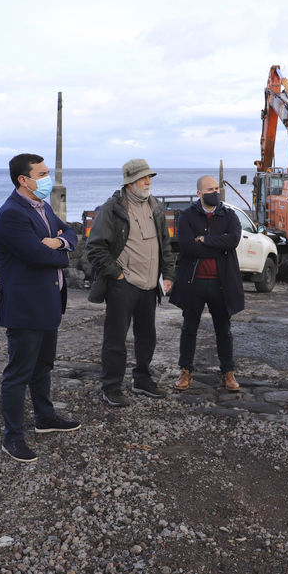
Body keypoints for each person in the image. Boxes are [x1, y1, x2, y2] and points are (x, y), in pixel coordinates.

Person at [0, 153, 81, 463]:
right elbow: (36, 256)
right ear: (23, 180)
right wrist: (61, 251)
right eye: (42, 174)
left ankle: (45, 418)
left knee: (43, 367)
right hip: (26, 307)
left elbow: (71, 234)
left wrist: (57, 242)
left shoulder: (42, 206)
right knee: (18, 374)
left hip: (49, 303)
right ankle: (12, 437)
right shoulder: (11, 214)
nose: (47, 179)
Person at [86, 158, 175, 407]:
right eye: (143, 178)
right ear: (129, 182)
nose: (149, 182)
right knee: (115, 339)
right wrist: (117, 274)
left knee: (147, 337)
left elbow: (164, 245)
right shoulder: (112, 209)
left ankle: (142, 380)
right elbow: (95, 248)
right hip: (123, 285)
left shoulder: (155, 207)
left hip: (149, 286)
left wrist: (168, 274)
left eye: (150, 177)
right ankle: (112, 386)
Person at [170, 175, 244, 392]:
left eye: (217, 188)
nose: (216, 192)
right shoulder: (187, 216)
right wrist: (218, 247)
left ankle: (228, 373)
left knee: (224, 330)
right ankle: (185, 372)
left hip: (222, 283)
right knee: (188, 329)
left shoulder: (229, 215)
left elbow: (233, 241)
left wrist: (205, 240)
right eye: (210, 189)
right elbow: (187, 247)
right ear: (199, 193)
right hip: (194, 282)